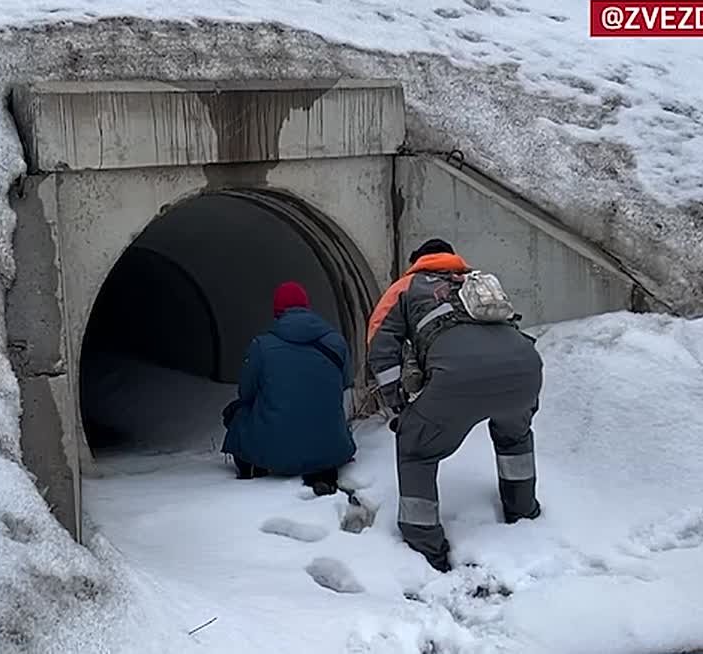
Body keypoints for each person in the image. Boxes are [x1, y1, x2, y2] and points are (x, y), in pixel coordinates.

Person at [365, 238, 544, 572]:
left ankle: (424, 545)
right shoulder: (475, 280)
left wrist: (398, 408)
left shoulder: (405, 287)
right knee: (514, 437)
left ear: (417, 261)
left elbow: (381, 346)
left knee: (415, 448)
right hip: (525, 371)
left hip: (457, 380)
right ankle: (523, 513)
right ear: (451, 259)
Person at [221, 281, 357, 496]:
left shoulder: (261, 345)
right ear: (307, 307)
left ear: (277, 311)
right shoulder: (336, 341)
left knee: (236, 412)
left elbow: (246, 393)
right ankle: (321, 470)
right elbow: (347, 382)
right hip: (333, 448)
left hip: (276, 450)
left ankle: (254, 467)